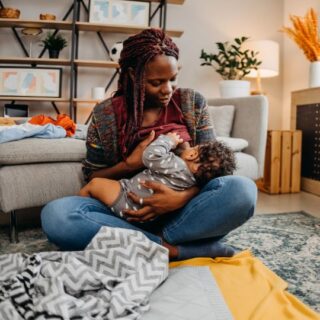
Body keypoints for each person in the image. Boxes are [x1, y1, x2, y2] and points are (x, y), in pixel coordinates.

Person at [41, 28, 257, 260]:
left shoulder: (191, 102)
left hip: (182, 213)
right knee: (57, 215)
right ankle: (171, 249)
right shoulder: (106, 114)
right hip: (123, 211)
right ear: (134, 75)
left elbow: (211, 168)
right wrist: (129, 163)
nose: (167, 90)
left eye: (172, 80)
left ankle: (141, 244)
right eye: (156, 82)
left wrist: (179, 199)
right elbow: (93, 177)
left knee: (242, 191)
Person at [78, 131, 236, 221]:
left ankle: (78, 209)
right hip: (145, 213)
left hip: (127, 198)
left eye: (193, 148)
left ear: (192, 154)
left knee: (95, 185)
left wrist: (169, 140)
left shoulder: (177, 166)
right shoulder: (190, 181)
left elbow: (150, 155)